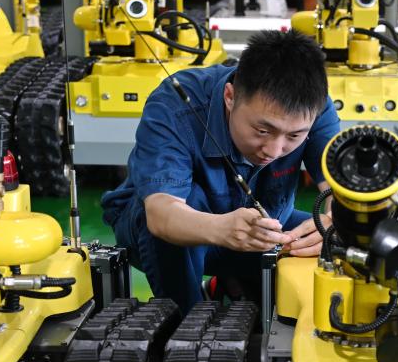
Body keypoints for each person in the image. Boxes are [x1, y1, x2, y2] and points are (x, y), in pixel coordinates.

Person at [101, 29, 340, 312]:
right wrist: (221, 228)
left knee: (343, 242)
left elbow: (339, 190)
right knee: (188, 202)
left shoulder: (314, 106)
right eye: (263, 130)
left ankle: (236, 287)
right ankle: (187, 322)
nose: (275, 151)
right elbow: (161, 213)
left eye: (294, 136)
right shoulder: (174, 103)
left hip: (264, 229)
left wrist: (335, 222)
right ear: (230, 96)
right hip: (159, 232)